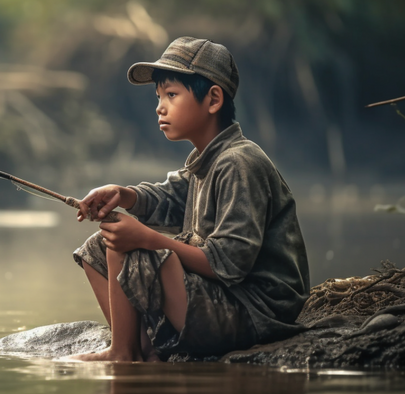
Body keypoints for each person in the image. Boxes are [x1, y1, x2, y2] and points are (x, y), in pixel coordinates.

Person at [69, 37, 310, 362]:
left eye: (171, 94)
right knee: (100, 246)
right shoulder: (205, 161)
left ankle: (123, 354)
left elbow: (227, 264)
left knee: (132, 246)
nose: (160, 106)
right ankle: (142, 349)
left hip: (254, 311)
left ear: (213, 100)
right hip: (223, 299)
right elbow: (168, 198)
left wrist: (147, 239)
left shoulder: (239, 162)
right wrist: (123, 195)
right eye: (158, 97)